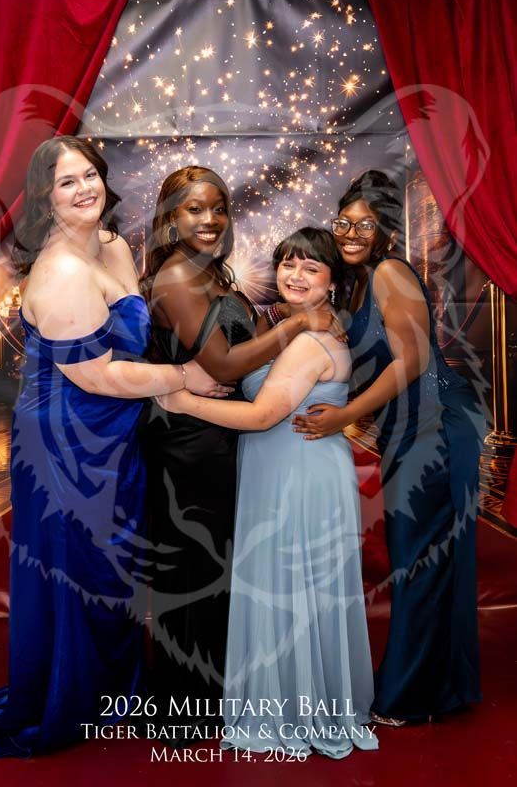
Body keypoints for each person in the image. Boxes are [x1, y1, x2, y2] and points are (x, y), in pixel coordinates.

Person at [0, 136, 226, 757]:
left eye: (90, 175)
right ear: (46, 199)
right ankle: (70, 695)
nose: (85, 189)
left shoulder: (110, 244)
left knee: (112, 562)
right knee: (78, 565)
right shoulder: (64, 272)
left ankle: (111, 684)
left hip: (114, 430)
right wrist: (185, 378)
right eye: (66, 182)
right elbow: (97, 374)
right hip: (66, 440)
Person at [139, 169, 343, 743]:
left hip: (221, 441)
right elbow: (227, 366)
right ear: (170, 218)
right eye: (194, 210)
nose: (210, 220)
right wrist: (300, 321)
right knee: (195, 572)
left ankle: (218, 694)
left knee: (220, 572)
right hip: (189, 446)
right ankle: (185, 712)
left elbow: (245, 351)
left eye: (219, 208)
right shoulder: (178, 277)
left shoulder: (212, 273)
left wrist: (295, 329)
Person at [157, 228, 378, 759]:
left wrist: (182, 401)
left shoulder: (310, 341)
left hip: (296, 476)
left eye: (311, 269)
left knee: (293, 591)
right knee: (293, 591)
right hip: (286, 468)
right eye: (288, 264)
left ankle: (297, 709)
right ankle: (296, 697)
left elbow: (261, 415)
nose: (295, 276)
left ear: (332, 283)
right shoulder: (288, 327)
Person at [291, 171, 485, 725]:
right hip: (412, 428)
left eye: (364, 224)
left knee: (418, 559)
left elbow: (414, 359)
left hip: (436, 427)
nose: (351, 233)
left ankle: (407, 696)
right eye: (344, 222)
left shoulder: (390, 273)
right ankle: (438, 687)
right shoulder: (362, 280)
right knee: (424, 557)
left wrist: (347, 416)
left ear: (386, 230)